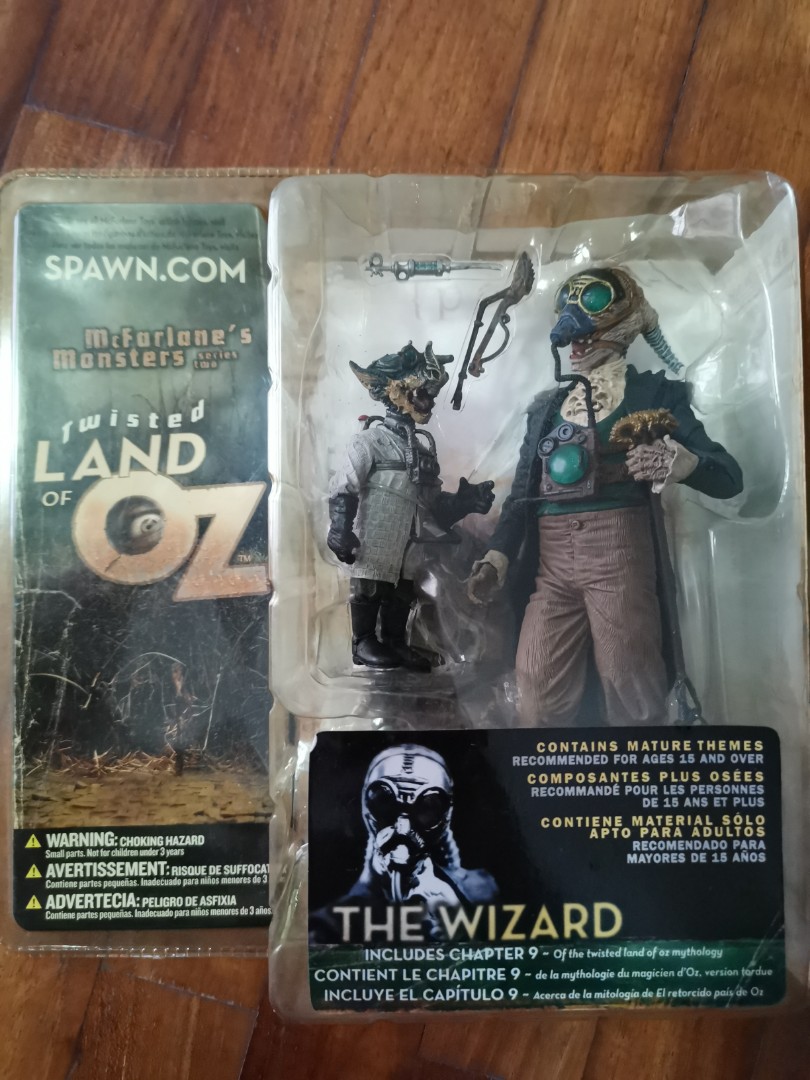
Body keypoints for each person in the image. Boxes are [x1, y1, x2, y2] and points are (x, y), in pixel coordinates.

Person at [467, 267, 743, 726]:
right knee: (536, 678)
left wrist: (685, 464)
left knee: (628, 673)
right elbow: (521, 494)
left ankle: (637, 762)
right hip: (553, 561)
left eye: (587, 337)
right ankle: (544, 766)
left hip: (618, 551)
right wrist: (498, 554)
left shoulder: (653, 394)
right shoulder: (546, 409)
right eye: (573, 340)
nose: (576, 347)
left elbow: (729, 477)